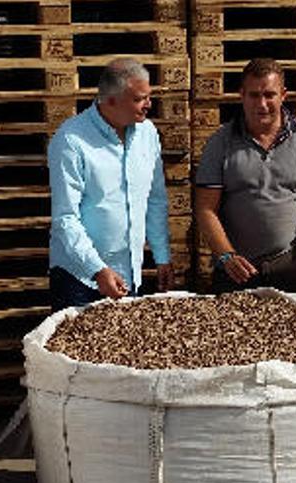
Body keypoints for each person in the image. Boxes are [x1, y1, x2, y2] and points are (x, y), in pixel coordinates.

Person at [194, 58, 296, 294]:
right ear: (241, 95)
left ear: (283, 95)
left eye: (269, 95)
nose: (262, 104)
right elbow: (205, 208)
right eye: (254, 95)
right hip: (237, 268)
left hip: (291, 262)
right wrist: (226, 256)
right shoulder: (221, 142)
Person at [48, 58, 173, 311]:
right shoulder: (71, 140)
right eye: (139, 99)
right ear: (111, 100)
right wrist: (97, 270)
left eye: (149, 96)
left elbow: (155, 200)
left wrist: (162, 256)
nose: (148, 105)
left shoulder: (148, 134)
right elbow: (65, 218)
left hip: (130, 276)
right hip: (80, 281)